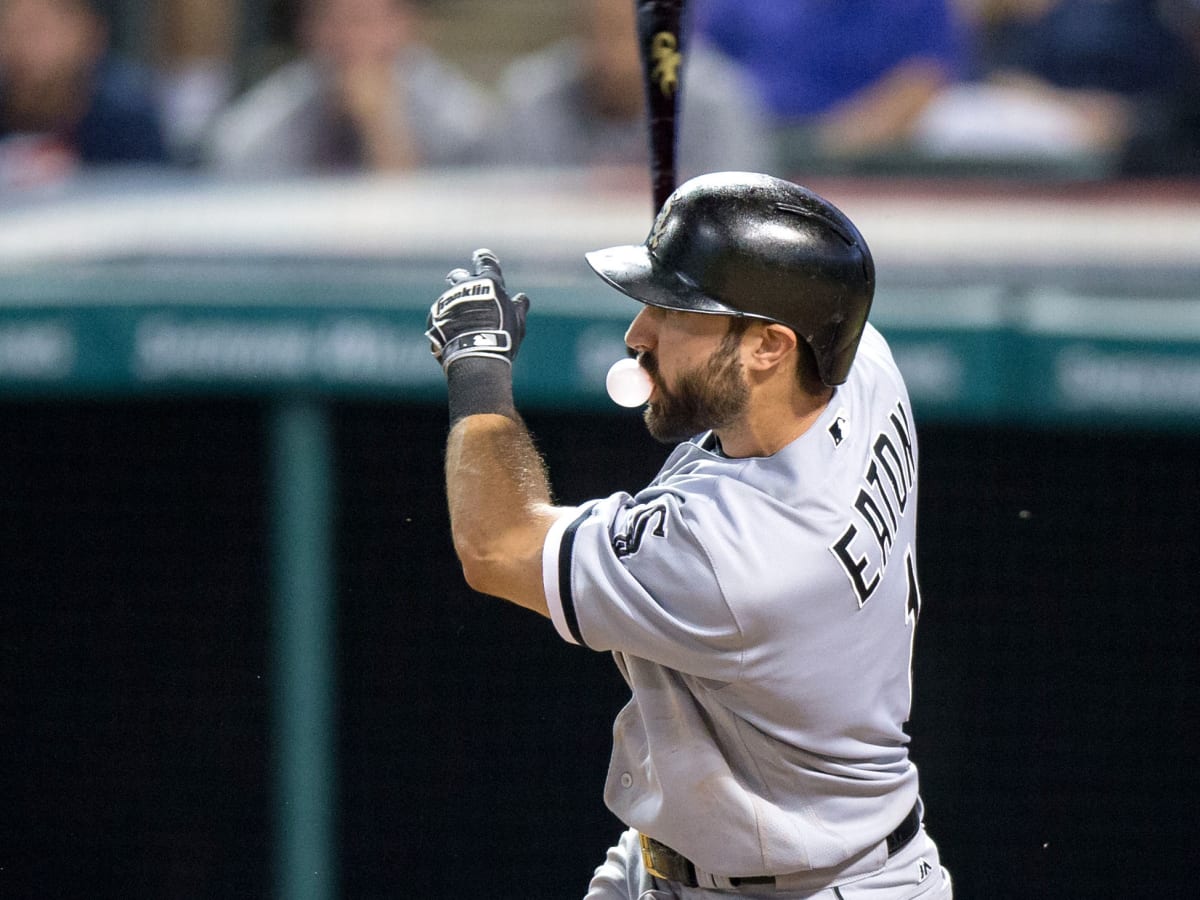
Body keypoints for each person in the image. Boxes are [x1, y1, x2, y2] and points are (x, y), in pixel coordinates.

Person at [424, 172, 953, 898]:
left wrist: (476, 366)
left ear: (769, 347)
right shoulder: (862, 368)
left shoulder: (735, 557)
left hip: (806, 885)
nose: (637, 335)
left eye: (673, 313)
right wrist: (699, 259)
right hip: (698, 860)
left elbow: (496, 545)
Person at [206, 0, 491, 176]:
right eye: (331, 20)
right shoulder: (262, 126)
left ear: (403, 24)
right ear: (306, 29)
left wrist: (381, 126)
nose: (348, 38)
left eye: (362, 20)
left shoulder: (460, 119)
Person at [494, 0, 773, 178]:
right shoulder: (533, 99)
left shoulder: (719, 104)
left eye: (620, 32)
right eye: (591, 31)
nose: (605, 51)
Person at [691, 0, 966, 163]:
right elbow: (698, 64)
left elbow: (925, 78)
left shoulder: (912, 6)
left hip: (860, 169)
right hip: (739, 147)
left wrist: (835, 142)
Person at [0, 0, 168, 187]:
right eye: (10, 29)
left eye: (35, 29)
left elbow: (146, 196)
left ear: (86, 32)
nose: (20, 44)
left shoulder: (124, 118)